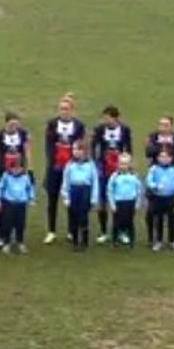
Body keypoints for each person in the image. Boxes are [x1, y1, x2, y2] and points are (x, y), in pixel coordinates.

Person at [42, 95, 85, 245]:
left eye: (67, 109)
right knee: (52, 200)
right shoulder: (52, 124)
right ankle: (51, 231)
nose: (64, 111)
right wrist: (51, 162)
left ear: (72, 110)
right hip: (55, 168)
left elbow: (80, 145)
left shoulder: (78, 125)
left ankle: (71, 231)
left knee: (71, 200)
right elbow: (48, 145)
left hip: (72, 168)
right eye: (61, 109)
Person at [91, 106, 132, 244]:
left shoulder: (124, 130)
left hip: (119, 168)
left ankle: (121, 231)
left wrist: (128, 164)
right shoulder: (100, 129)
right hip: (103, 169)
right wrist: (95, 163)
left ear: (115, 117)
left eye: (108, 117)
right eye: (104, 117)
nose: (105, 120)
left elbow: (128, 148)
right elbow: (94, 146)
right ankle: (103, 231)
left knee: (119, 201)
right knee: (102, 202)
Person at [0, 112, 31, 249]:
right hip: (4, 173)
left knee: (18, 206)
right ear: (6, 123)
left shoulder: (23, 134)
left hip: (19, 173)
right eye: (11, 124)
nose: (14, 127)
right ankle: (1, 236)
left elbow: (27, 151)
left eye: (16, 124)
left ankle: (18, 237)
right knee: (1, 207)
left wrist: (28, 169)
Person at [61, 142, 99, 251]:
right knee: (73, 217)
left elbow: (95, 182)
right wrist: (66, 196)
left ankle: (84, 241)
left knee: (83, 217)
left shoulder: (90, 165)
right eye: (74, 149)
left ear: (84, 151)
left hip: (85, 190)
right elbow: (66, 181)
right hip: (74, 190)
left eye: (78, 149)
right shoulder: (70, 164)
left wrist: (93, 198)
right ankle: (75, 241)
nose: (76, 152)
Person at [0, 159, 36, 254]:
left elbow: (29, 188)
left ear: (22, 169)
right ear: (11, 168)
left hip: (21, 204)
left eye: (19, 168)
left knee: (20, 224)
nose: (16, 170)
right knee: (7, 224)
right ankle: (7, 243)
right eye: (14, 168)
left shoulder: (25, 177)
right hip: (9, 203)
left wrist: (31, 198)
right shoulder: (6, 176)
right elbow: (0, 187)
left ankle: (20, 242)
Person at [145, 148, 174, 252]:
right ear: (158, 158)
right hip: (158, 198)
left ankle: (172, 241)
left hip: (171, 198)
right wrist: (155, 186)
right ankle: (159, 241)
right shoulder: (154, 169)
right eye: (161, 157)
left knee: (172, 219)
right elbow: (149, 180)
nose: (164, 159)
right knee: (159, 219)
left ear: (171, 158)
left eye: (166, 157)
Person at [107, 154, 143, 247]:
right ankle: (115, 240)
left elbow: (139, 190)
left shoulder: (134, 176)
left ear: (130, 164)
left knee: (129, 222)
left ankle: (131, 241)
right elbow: (110, 190)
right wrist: (112, 204)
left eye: (126, 164)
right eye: (122, 164)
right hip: (118, 202)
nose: (124, 166)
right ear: (118, 164)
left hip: (130, 203)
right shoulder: (114, 176)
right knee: (116, 223)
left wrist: (137, 204)